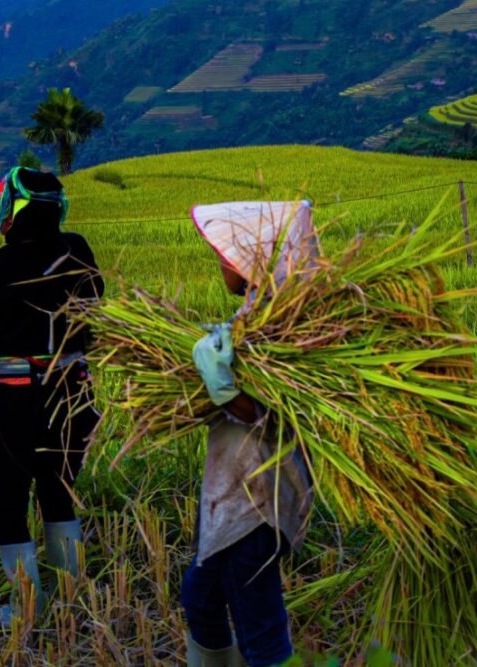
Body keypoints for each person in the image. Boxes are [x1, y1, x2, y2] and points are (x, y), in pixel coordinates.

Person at [0, 167, 104, 625]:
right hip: (73, 395)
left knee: (7, 500)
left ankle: (26, 608)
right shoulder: (77, 251)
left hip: (19, 402)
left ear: (15, 212)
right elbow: (94, 309)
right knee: (59, 490)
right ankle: (69, 596)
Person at [181, 201, 317, 667]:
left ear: (249, 259)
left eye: (226, 254)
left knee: (259, 627)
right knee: (201, 598)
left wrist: (221, 388)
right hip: (238, 486)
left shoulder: (277, 323)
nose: (221, 263)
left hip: (256, 492)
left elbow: (270, 417)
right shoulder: (257, 316)